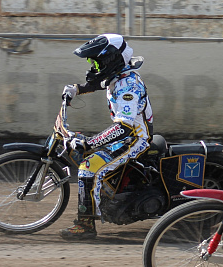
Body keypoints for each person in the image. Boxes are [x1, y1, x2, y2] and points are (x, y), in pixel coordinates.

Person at [58, 34, 154, 240]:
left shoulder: (129, 87)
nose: (93, 67)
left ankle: (85, 226)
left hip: (135, 140)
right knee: (86, 148)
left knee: (87, 168)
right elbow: (99, 84)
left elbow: (125, 128)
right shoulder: (117, 76)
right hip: (125, 134)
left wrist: (90, 144)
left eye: (96, 62)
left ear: (110, 60)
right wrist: (77, 89)